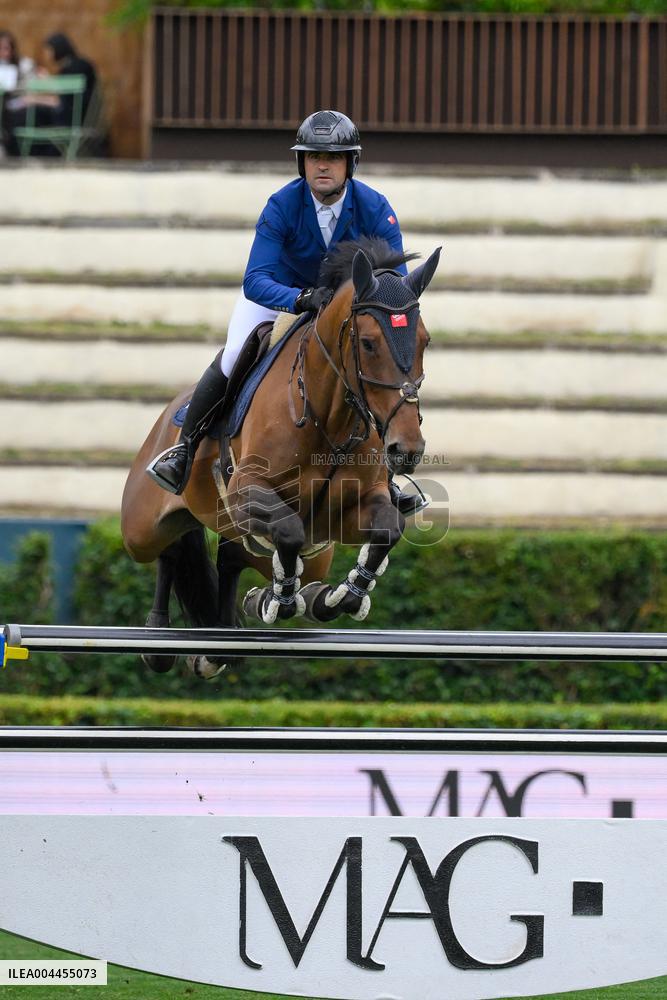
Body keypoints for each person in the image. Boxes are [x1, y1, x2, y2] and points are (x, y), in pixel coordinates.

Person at [147, 109, 423, 514]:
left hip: (345, 312)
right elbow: (255, 279)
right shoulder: (281, 205)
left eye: (332, 157)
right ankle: (185, 451)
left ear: (350, 163)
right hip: (281, 299)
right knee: (231, 357)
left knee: (378, 371)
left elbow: (394, 283)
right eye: (313, 157)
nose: (322, 165)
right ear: (302, 162)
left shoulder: (375, 205)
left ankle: (386, 480)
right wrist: (300, 299)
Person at [5, 32, 97, 156]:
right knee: (24, 114)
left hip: (73, 117)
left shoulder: (79, 65)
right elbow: (60, 99)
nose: (47, 55)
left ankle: (23, 154)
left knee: (27, 115)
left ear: (58, 48)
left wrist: (47, 83)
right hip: (63, 114)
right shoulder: (65, 68)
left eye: (49, 50)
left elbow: (64, 101)